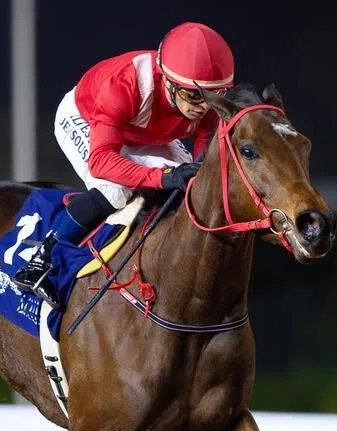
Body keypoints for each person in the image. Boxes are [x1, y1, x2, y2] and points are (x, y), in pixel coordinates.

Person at [13, 22, 235, 310]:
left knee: (190, 188)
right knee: (115, 190)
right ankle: (41, 260)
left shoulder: (199, 98)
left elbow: (204, 157)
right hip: (87, 118)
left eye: (215, 95)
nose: (204, 108)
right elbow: (101, 161)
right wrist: (162, 176)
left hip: (145, 130)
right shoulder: (123, 86)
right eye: (194, 96)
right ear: (168, 81)